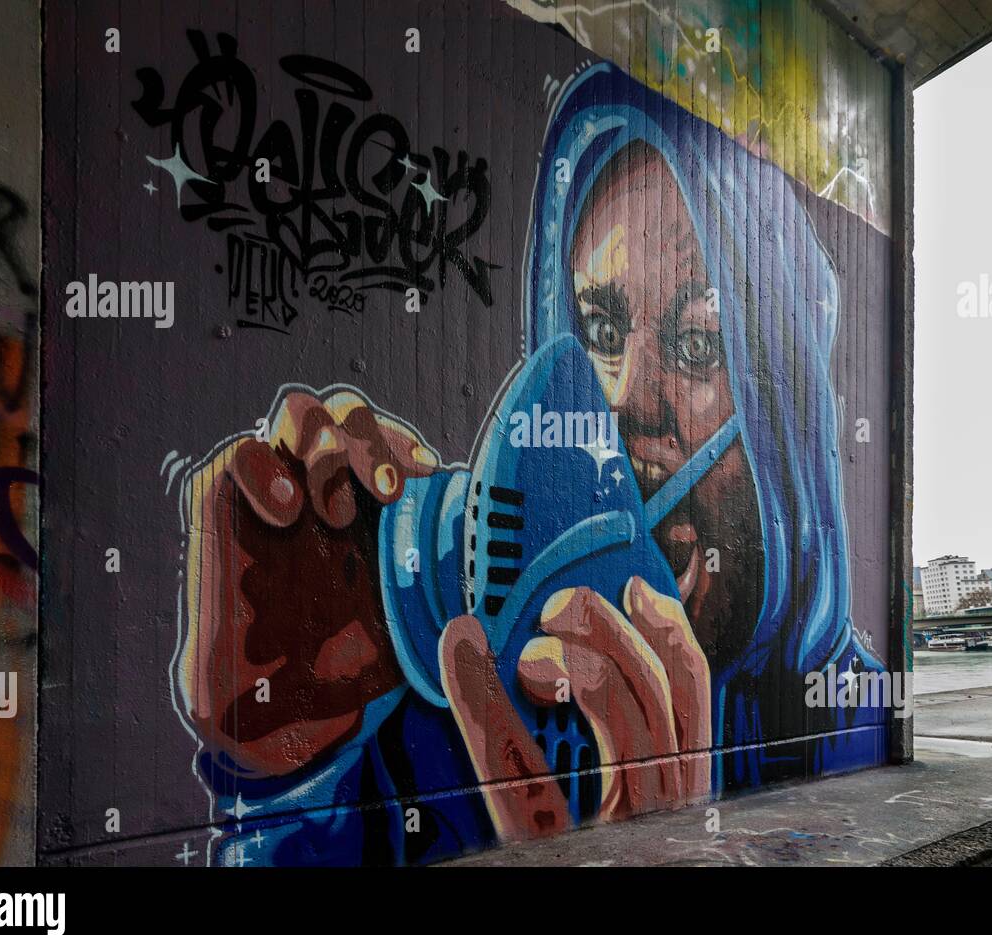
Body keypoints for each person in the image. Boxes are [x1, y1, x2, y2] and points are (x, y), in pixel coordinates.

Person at [173, 63, 885, 866]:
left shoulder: (854, 726)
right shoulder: (455, 709)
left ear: (787, 413)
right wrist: (283, 771)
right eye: (601, 333)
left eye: (698, 344)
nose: (624, 405)